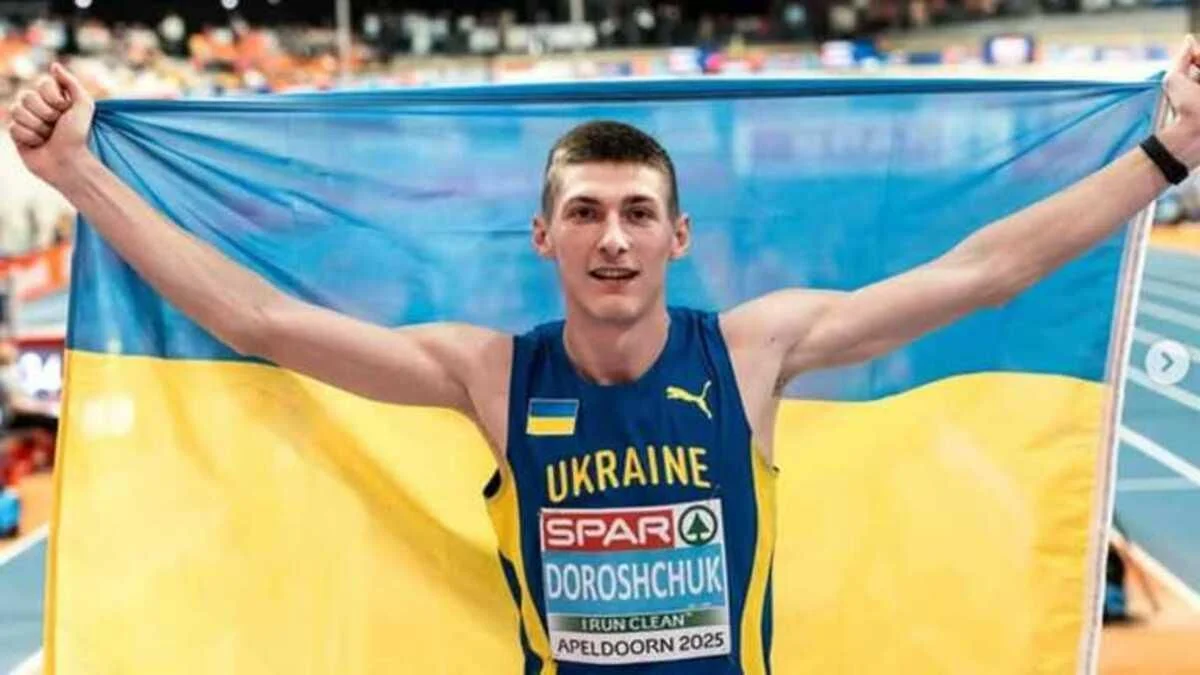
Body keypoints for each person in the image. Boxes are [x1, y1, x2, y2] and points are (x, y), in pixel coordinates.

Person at [8, 38, 1200, 673]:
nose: (613, 237)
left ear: (680, 236)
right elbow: (263, 325)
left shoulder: (750, 353)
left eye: (637, 213)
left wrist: (1163, 158)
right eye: (584, 212)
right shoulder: (491, 374)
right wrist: (77, 176)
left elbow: (981, 273)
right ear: (543, 236)